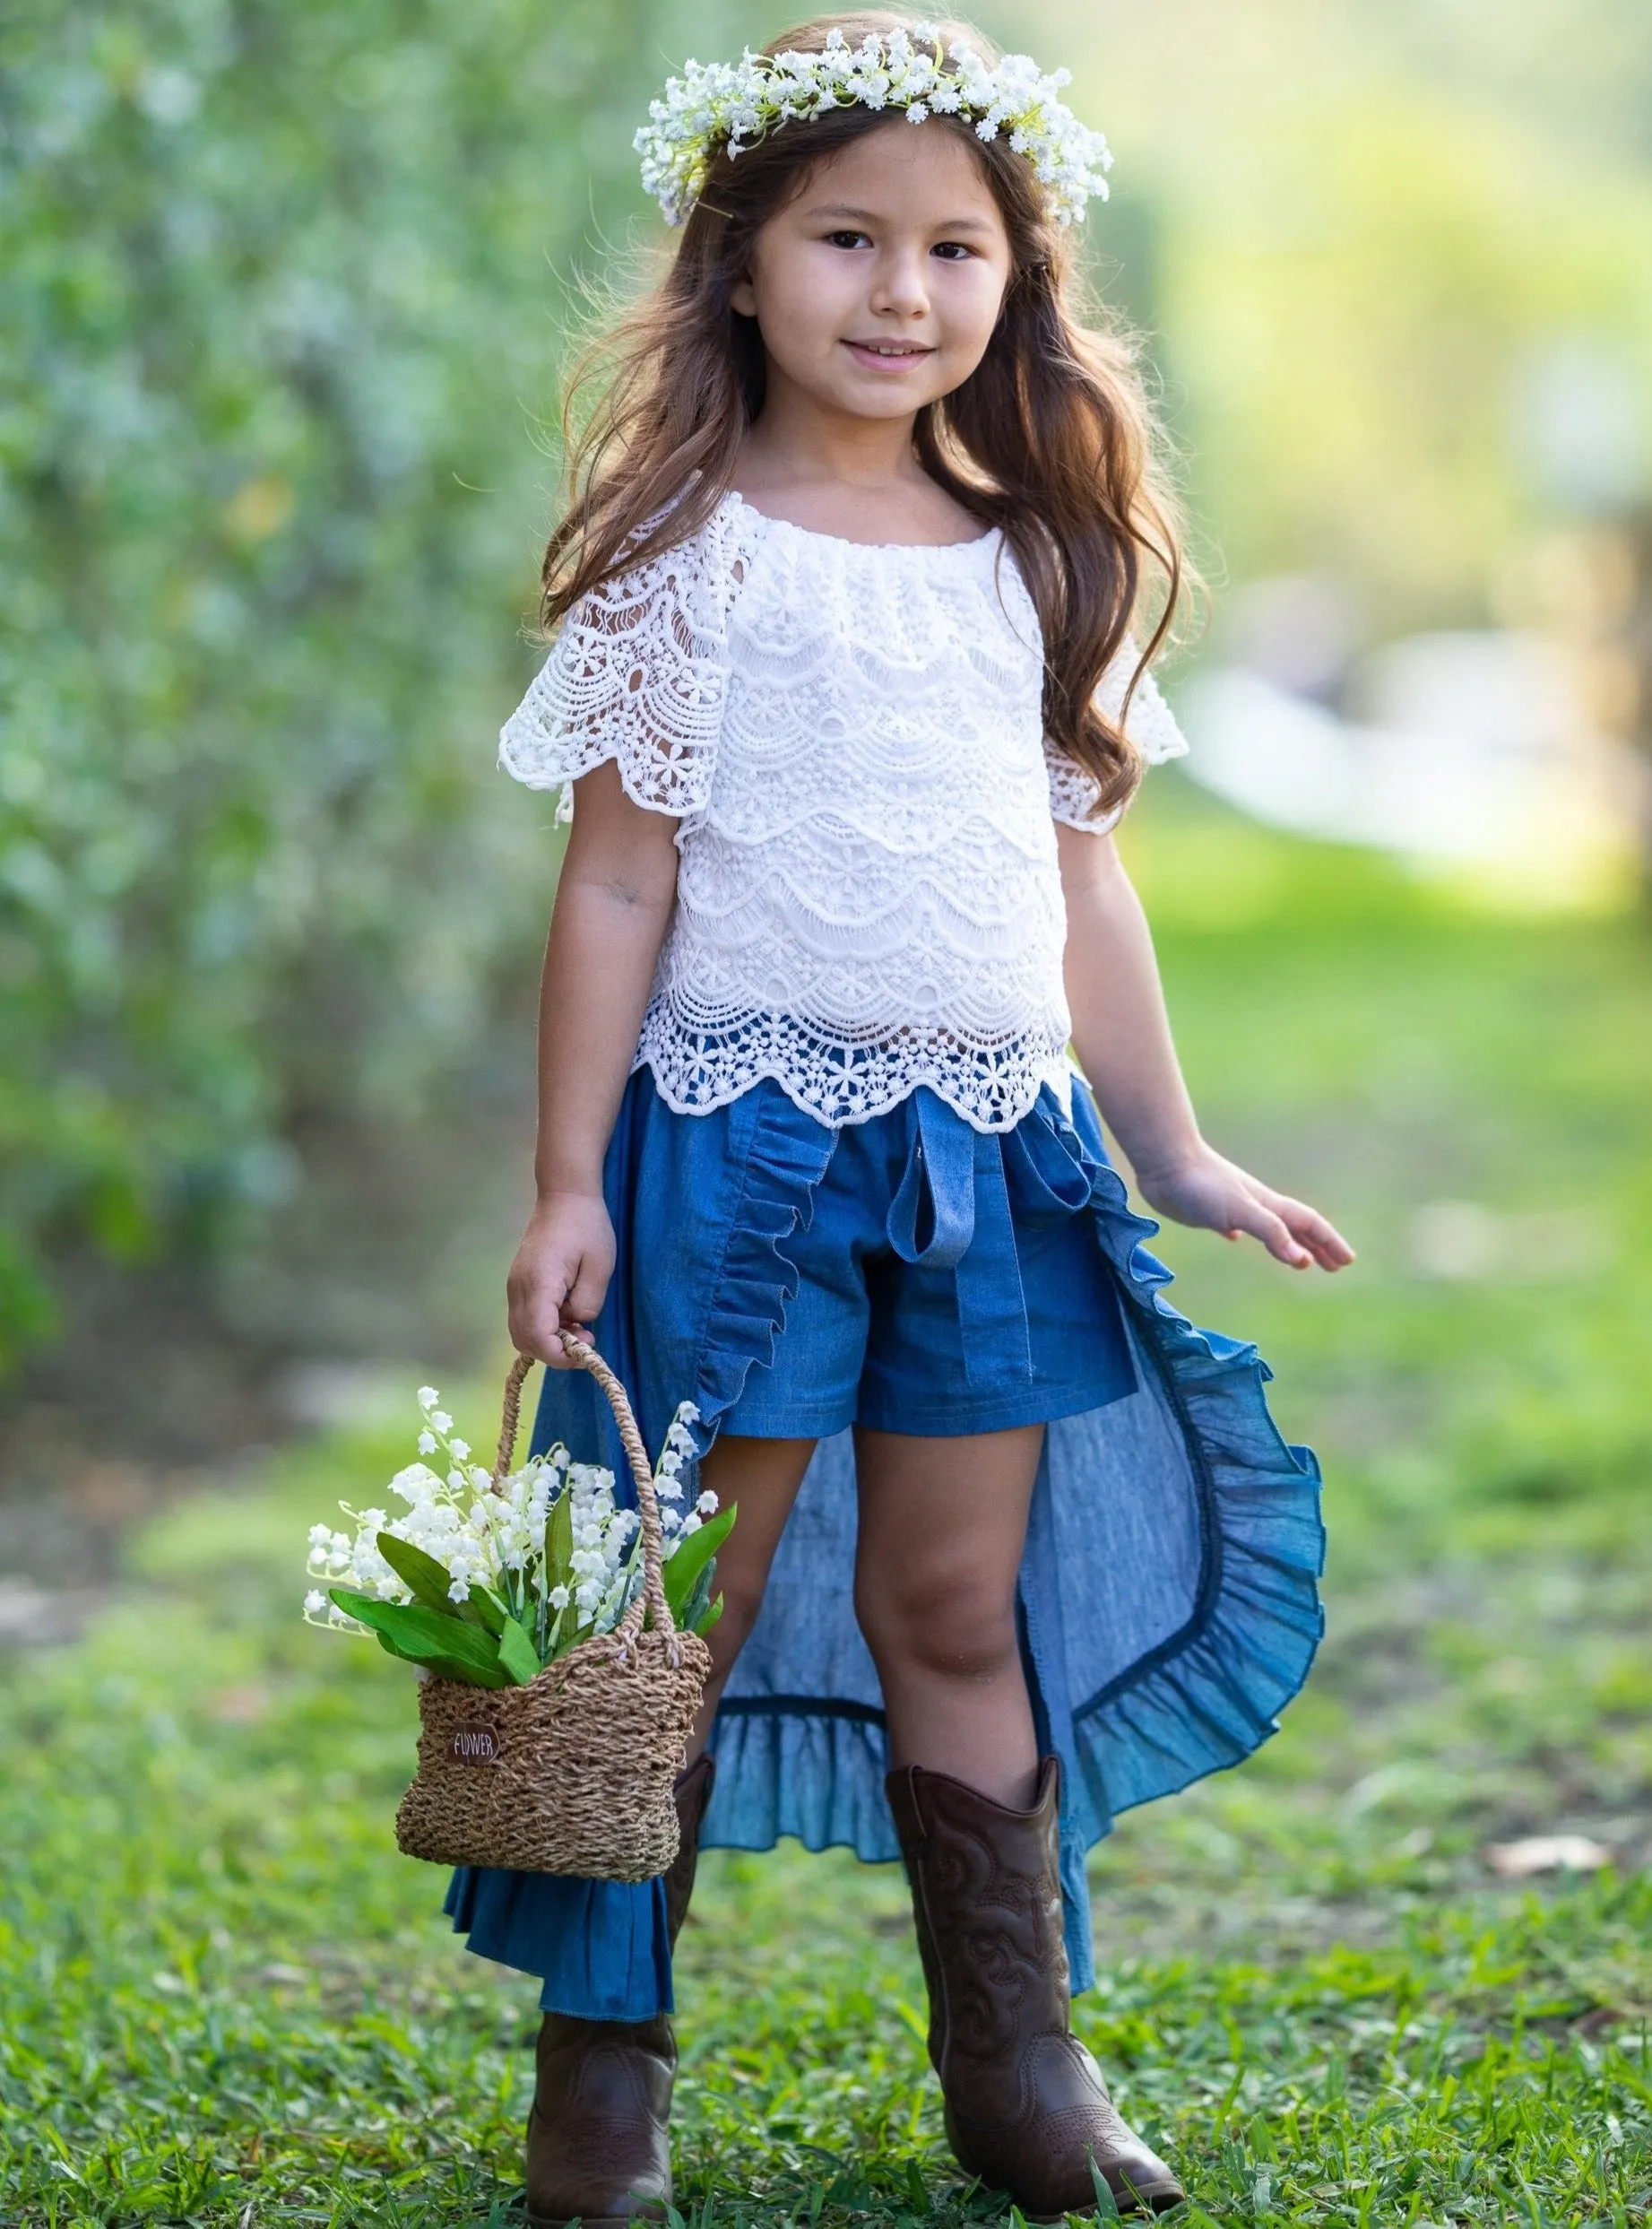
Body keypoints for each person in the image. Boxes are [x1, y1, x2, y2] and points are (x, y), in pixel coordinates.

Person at [449, 14, 1354, 2223]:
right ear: (740, 258)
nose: (899, 292)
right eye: (846, 237)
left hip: (992, 1161)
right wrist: (571, 1181)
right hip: (739, 1150)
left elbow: (1081, 879)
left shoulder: (1035, 560)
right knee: (688, 1605)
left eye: (955, 249)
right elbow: (620, 880)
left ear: (1014, 285)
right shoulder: (689, 560)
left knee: (958, 1609)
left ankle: (1020, 2069)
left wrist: (1174, 1149)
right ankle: (605, 2076)